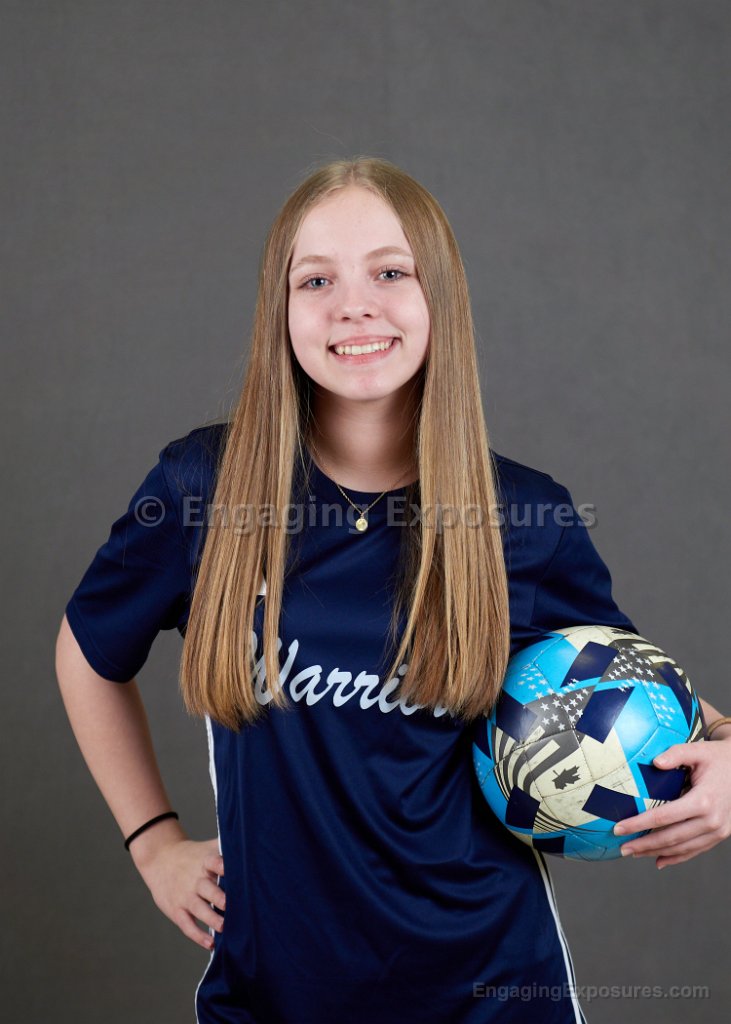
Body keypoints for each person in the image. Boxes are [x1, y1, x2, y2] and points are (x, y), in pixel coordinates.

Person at [56, 157, 731, 1024]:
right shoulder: (206, 489)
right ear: (278, 310)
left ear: (437, 295)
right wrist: (153, 844)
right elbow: (87, 655)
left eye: (389, 272)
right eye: (316, 280)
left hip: (491, 988)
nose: (354, 305)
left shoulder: (522, 517)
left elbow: (632, 687)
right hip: (272, 992)